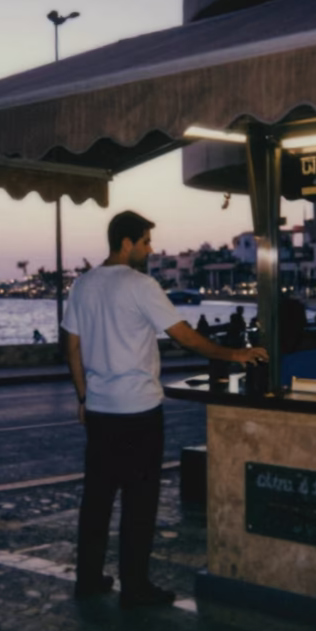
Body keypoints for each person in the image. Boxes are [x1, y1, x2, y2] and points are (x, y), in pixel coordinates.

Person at [62, 210, 268, 608]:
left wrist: (84, 397)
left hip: (101, 412)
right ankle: (135, 588)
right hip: (139, 411)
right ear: (127, 243)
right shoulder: (141, 285)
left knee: (97, 499)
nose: (150, 249)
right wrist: (235, 354)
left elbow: (71, 348)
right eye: (145, 242)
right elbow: (185, 337)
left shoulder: (83, 285)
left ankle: (88, 579)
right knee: (140, 502)